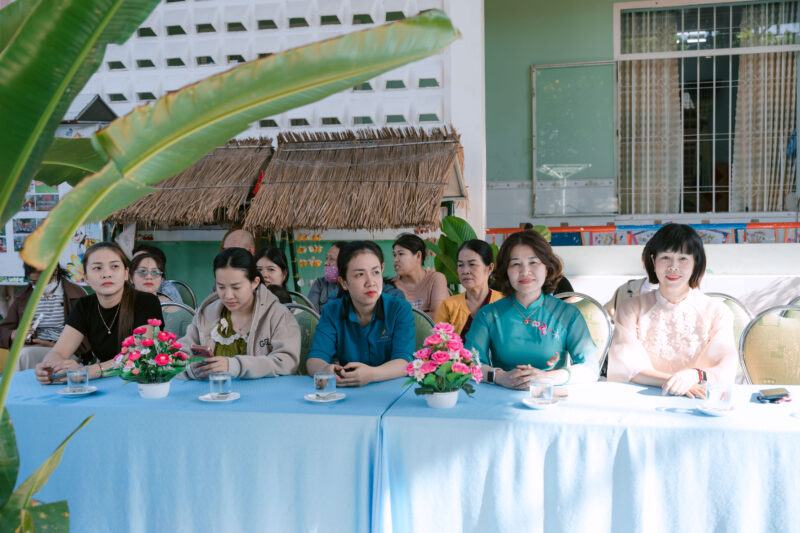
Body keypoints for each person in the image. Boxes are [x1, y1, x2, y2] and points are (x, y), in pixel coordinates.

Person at [607, 224, 737, 397]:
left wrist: (694, 376)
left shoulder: (717, 311)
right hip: (643, 398)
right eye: (665, 257)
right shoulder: (630, 309)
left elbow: (725, 366)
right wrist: (676, 382)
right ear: (653, 261)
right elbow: (625, 367)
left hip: (699, 399)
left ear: (696, 262)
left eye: (683, 258)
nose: (673, 266)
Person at [466, 231, 599, 389]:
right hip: (500, 394)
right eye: (516, 264)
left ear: (547, 268)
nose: (525, 271)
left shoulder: (567, 314)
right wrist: (499, 376)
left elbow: (590, 368)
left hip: (551, 395)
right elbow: (469, 363)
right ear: (506, 271)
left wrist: (548, 377)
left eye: (533, 262)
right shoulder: (488, 314)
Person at [34, 242, 164, 384]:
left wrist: (89, 371)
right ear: (86, 278)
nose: (106, 274)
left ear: (126, 274)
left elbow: (138, 354)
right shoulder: (84, 305)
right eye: (97, 268)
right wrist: (49, 367)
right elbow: (59, 352)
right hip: (102, 380)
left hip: (140, 380)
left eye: (114, 266)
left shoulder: (147, 301)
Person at [180, 247, 300, 379]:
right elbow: (178, 356)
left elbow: (287, 362)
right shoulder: (206, 314)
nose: (228, 295)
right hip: (215, 391)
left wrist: (235, 366)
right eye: (221, 287)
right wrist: (190, 369)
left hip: (265, 392)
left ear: (255, 282)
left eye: (236, 287)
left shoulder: (277, 314)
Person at [306, 241, 414, 387]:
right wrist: (326, 370)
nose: (371, 282)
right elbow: (314, 360)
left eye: (375, 272)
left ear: (382, 270)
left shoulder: (400, 309)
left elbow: (404, 362)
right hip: (347, 390)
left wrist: (371, 374)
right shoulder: (332, 311)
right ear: (344, 283)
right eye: (360, 274)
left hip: (392, 390)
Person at [0, 263, 89, 370]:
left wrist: (54, 346)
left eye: (44, 281)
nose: (40, 286)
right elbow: (3, 331)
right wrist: (13, 334)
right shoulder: (23, 297)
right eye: (34, 282)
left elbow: (89, 336)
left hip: (67, 352)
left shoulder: (77, 295)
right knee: (24, 354)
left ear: (55, 271)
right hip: (30, 348)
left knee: (24, 355)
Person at [434, 240, 503, 336]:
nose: (465, 271)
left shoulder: (504, 303)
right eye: (460, 265)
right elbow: (438, 341)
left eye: (472, 264)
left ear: (490, 268)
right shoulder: (449, 305)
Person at [392, 233, 448, 317]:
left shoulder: (436, 279)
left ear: (418, 256)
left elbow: (438, 316)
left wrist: (402, 317)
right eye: (394, 255)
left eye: (401, 254)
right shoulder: (391, 285)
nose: (395, 260)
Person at [307, 241, 347, 312]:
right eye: (326, 258)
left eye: (331, 259)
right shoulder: (319, 284)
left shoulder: (354, 286)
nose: (325, 263)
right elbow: (311, 315)